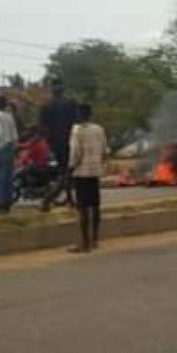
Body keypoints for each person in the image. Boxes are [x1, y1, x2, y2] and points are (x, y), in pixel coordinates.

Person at [67, 103, 108, 253]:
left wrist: (70, 168)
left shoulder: (77, 131)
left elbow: (75, 154)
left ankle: (84, 243)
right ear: (91, 115)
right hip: (95, 172)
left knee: (83, 208)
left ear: (79, 115)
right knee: (95, 207)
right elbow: (104, 151)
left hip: (82, 173)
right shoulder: (99, 129)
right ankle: (95, 239)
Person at [39, 84, 78, 205]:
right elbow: (77, 121)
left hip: (55, 144)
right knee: (68, 170)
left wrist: (47, 142)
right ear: (63, 91)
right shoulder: (71, 104)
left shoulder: (46, 106)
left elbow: (42, 127)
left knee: (63, 171)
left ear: (52, 92)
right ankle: (61, 198)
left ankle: (53, 198)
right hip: (71, 141)